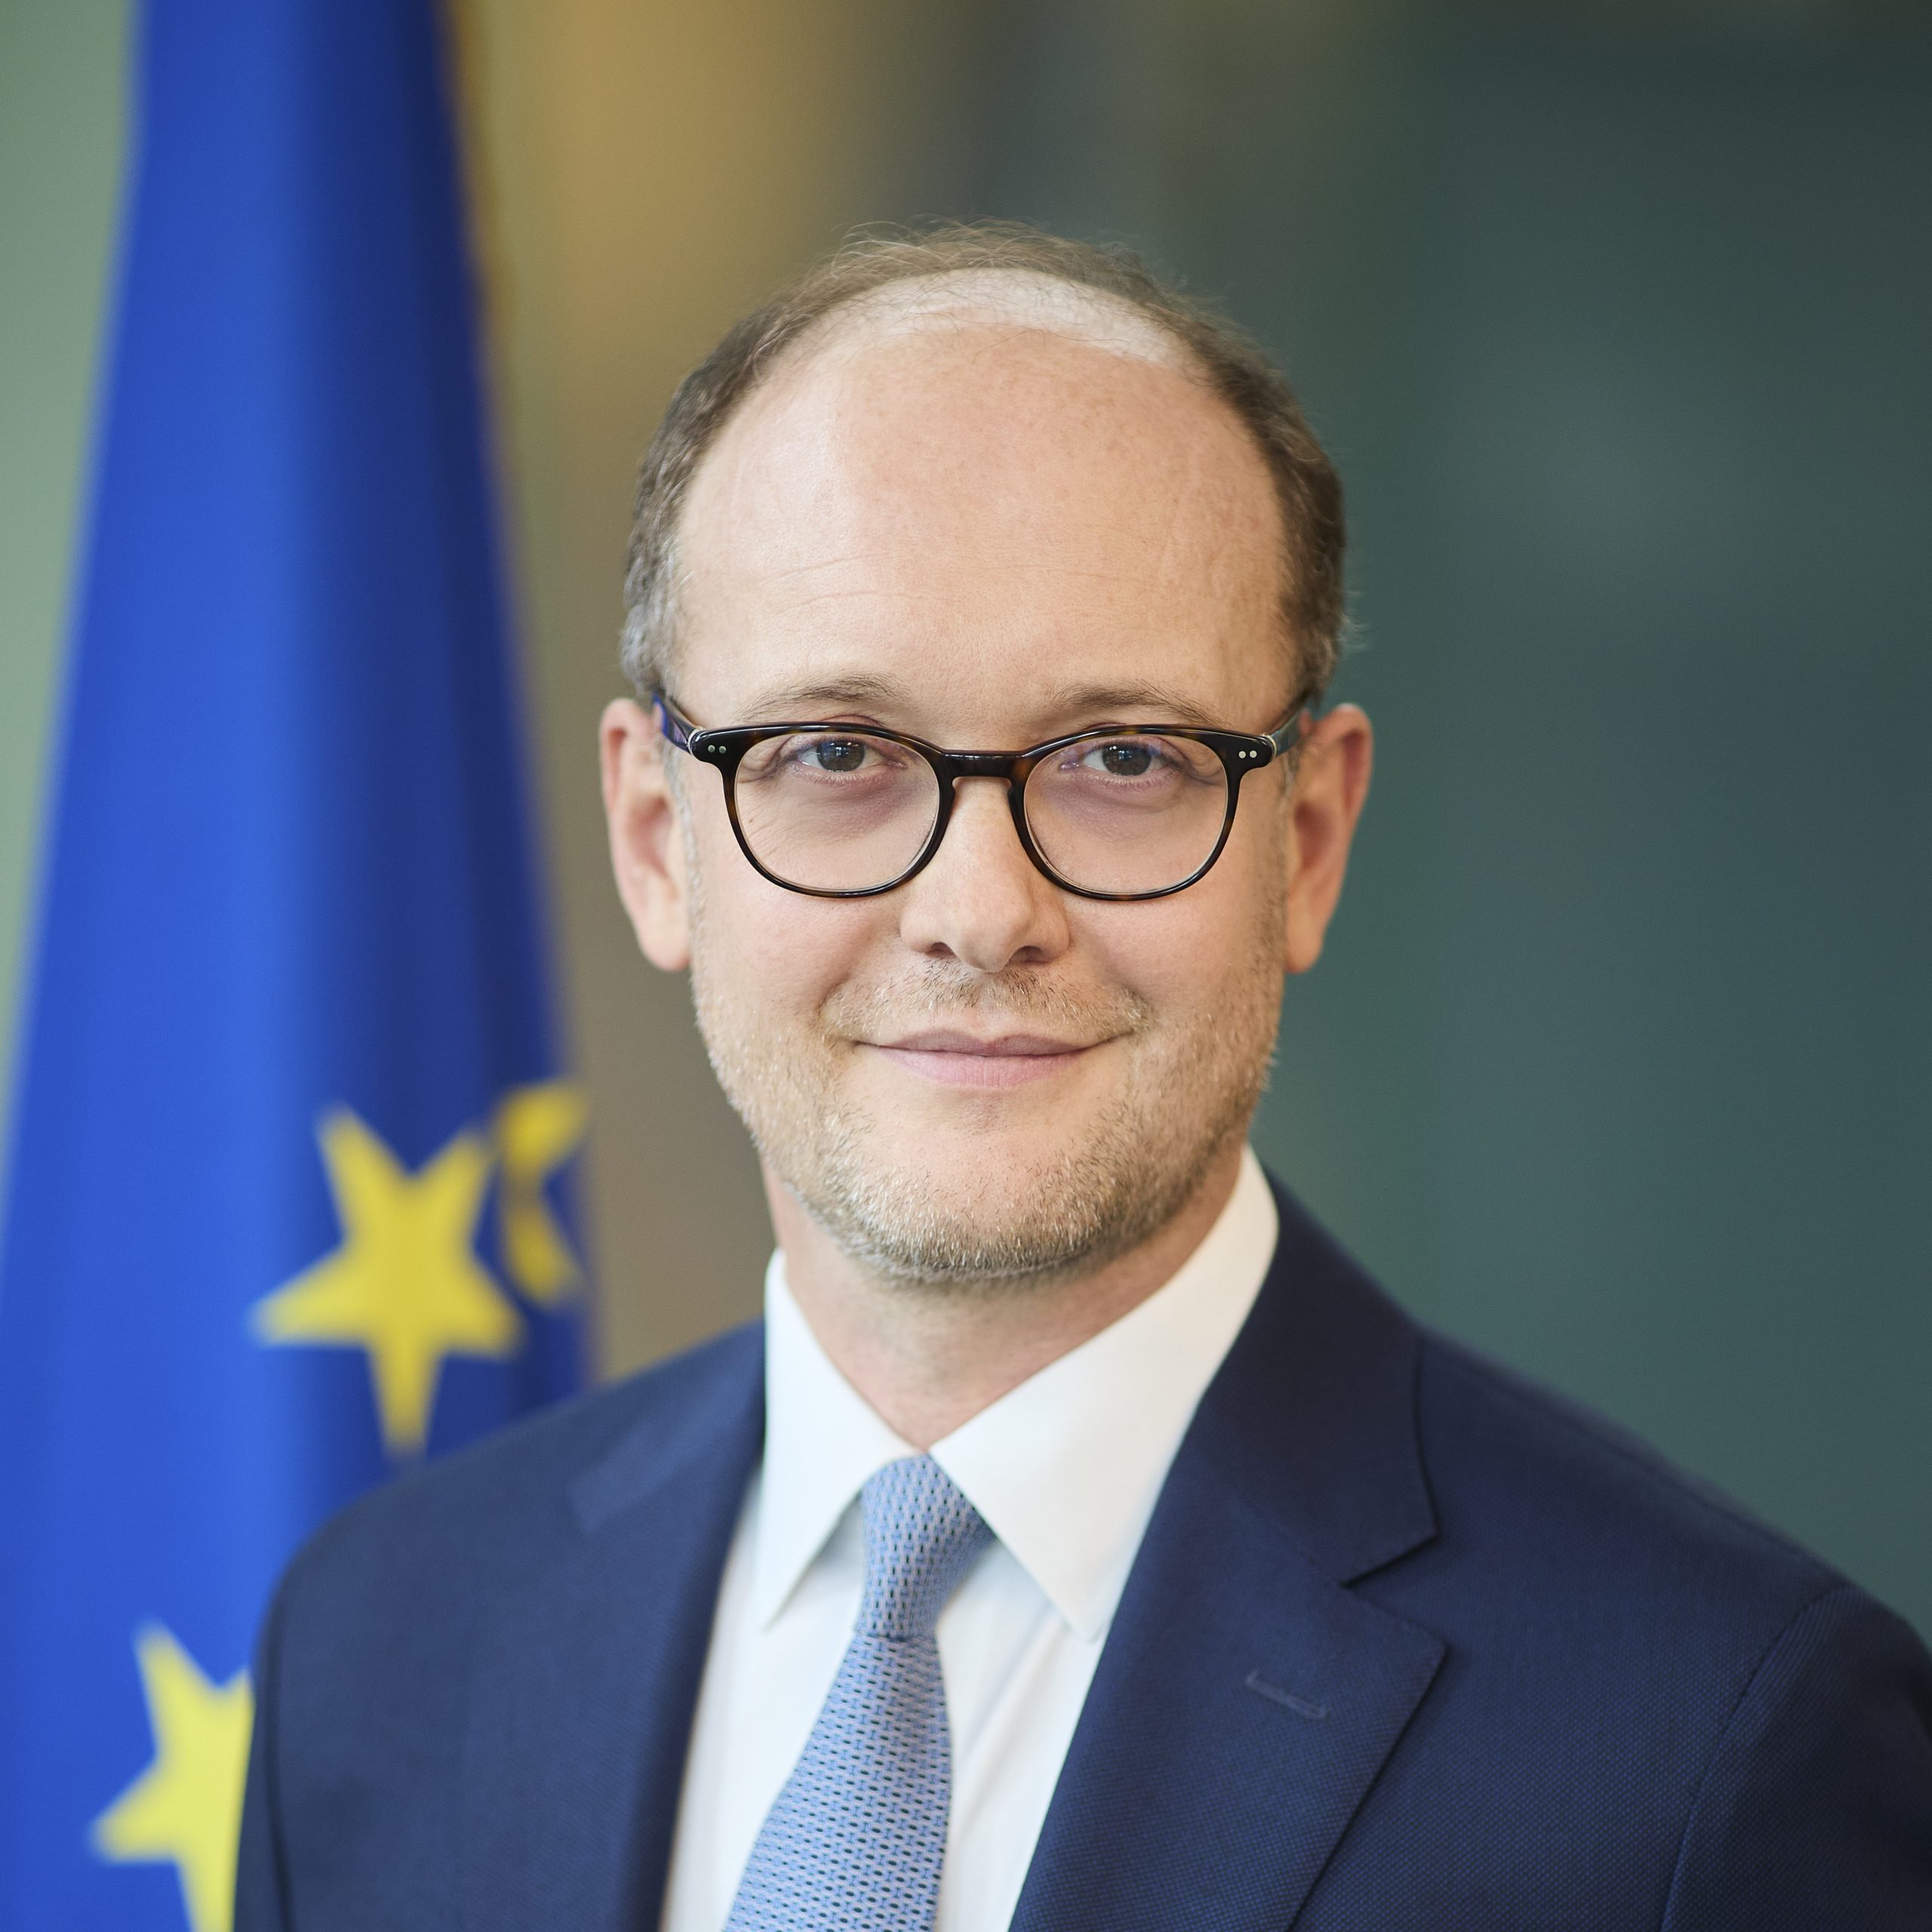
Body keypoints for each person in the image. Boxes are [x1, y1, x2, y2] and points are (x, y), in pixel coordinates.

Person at [235, 226, 1932, 1930]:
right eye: (836, 752)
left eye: (1125, 756)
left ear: (1308, 841)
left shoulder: (1711, 1754)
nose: (981, 911)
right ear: (655, 839)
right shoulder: (378, 1646)